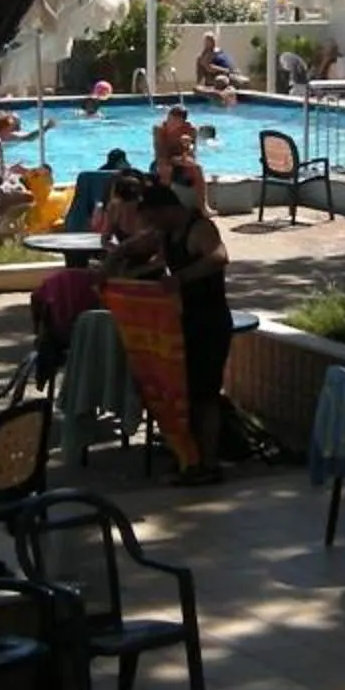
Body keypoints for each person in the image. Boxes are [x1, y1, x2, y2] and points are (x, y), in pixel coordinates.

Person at [133, 179, 231, 486]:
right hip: (184, 321)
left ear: (165, 209)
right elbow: (159, 259)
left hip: (210, 322)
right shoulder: (168, 233)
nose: (151, 226)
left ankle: (210, 464)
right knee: (184, 392)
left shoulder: (200, 228)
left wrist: (180, 279)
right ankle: (191, 458)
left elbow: (219, 256)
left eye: (152, 218)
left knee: (205, 395)